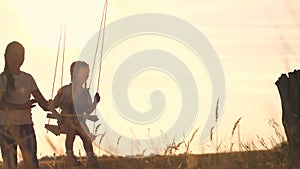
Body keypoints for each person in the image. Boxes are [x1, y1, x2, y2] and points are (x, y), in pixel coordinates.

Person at [0, 41, 49, 169]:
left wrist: (59, 102)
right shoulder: (2, 79)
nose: (18, 59)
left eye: (21, 55)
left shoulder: (28, 78)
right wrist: (21, 106)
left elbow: (43, 104)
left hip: (26, 126)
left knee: (32, 163)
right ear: (6, 56)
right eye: (15, 55)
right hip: (6, 128)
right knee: (10, 165)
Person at [49, 61, 100, 168]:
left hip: (80, 121)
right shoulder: (65, 90)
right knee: (71, 130)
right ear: (74, 75)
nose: (85, 77)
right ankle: (70, 156)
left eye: (87, 75)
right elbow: (55, 104)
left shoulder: (85, 93)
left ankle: (90, 157)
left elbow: (87, 111)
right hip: (65, 121)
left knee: (86, 135)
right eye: (83, 74)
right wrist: (54, 107)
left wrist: (95, 102)